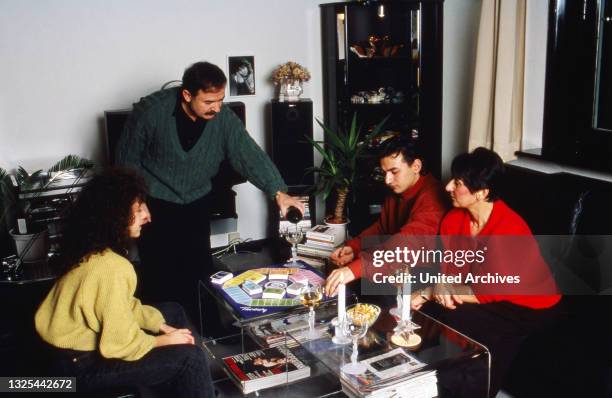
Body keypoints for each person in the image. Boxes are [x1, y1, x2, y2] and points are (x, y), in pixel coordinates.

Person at [115, 61, 303, 323]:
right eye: (208, 101)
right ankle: (160, 330)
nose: (216, 107)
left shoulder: (223, 118)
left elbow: (248, 154)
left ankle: (209, 325)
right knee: (159, 271)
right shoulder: (150, 112)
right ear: (187, 95)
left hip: (196, 199)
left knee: (200, 267)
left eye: (220, 99)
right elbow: (127, 161)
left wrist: (278, 192)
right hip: (155, 200)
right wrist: (135, 202)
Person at [34, 168, 214, 397]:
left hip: (68, 349)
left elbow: (122, 305)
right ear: (115, 215)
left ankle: (186, 387)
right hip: (79, 367)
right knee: (191, 358)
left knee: (173, 312)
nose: (148, 216)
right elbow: (120, 343)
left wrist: (161, 326)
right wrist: (161, 341)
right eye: (139, 209)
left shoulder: (93, 247)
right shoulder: (111, 267)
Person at [411, 147, 561, 397]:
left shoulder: (509, 230)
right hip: (487, 291)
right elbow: (450, 269)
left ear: (482, 192)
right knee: (439, 312)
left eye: (457, 183)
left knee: (466, 323)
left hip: (530, 306)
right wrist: (437, 292)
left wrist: (429, 292)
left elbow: (487, 293)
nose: (448, 187)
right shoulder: (454, 219)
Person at [324, 136, 449, 296]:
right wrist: (354, 247)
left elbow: (406, 246)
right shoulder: (397, 190)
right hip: (400, 261)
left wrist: (356, 268)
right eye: (384, 173)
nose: (387, 180)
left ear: (416, 166)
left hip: (426, 271)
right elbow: (382, 228)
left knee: (365, 284)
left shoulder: (432, 198)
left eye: (394, 172)